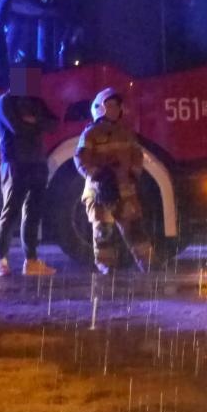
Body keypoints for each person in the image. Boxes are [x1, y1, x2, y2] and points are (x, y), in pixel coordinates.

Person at [73, 87, 154, 273]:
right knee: (103, 232)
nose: (114, 109)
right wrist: (98, 176)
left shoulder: (126, 132)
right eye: (109, 105)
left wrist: (134, 172)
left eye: (116, 106)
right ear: (99, 108)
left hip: (125, 191)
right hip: (100, 192)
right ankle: (106, 268)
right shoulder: (90, 134)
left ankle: (149, 265)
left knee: (135, 230)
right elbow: (80, 159)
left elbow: (137, 155)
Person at [0, 61, 59, 277]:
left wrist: (33, 121)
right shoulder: (4, 102)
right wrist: (37, 123)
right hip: (15, 163)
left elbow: (54, 123)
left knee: (33, 213)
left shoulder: (35, 102)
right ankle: (0, 261)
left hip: (37, 162)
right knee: (10, 211)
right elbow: (17, 128)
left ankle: (31, 261)